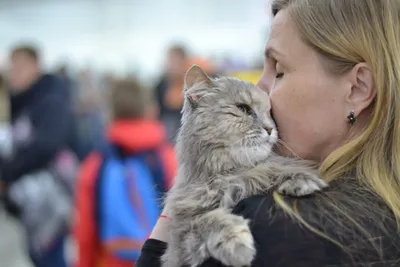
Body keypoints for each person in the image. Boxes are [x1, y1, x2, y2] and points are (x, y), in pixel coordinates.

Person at [136, 0, 400, 266]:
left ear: (357, 89)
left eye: (279, 70)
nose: (260, 87)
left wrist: (160, 239)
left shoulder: (270, 228)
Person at [74, 78, 177, 267]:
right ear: (151, 110)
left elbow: (85, 232)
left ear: (110, 113)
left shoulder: (95, 164)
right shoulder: (170, 159)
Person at [1, 45, 79, 267]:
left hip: (53, 202)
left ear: (36, 66)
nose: (14, 74)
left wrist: (7, 172)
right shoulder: (22, 102)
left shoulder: (51, 99)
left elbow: (46, 145)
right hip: (30, 203)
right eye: (11, 68)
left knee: (50, 257)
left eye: (20, 67)